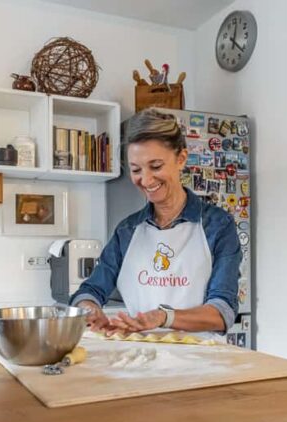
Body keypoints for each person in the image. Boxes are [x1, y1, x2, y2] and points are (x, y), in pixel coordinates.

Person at [71, 108, 242, 335]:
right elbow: (90, 290)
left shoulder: (218, 225)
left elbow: (222, 312)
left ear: (181, 159)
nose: (146, 179)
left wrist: (163, 317)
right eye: (136, 169)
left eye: (156, 166)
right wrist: (89, 310)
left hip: (202, 362)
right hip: (139, 360)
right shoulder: (127, 230)